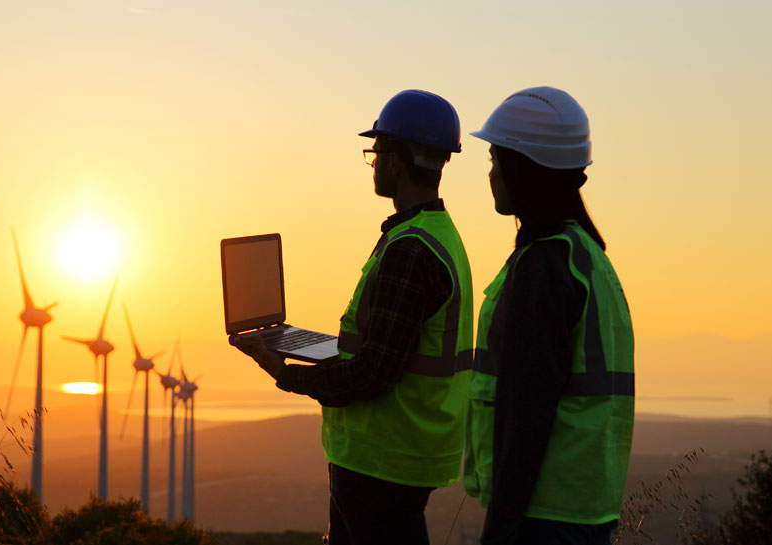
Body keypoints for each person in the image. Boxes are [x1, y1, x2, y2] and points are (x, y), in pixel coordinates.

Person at [232, 89, 474, 545]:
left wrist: (287, 372)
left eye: (377, 152)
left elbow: (372, 373)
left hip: (382, 461)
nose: (374, 162)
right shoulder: (437, 236)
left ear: (397, 161)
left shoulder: (411, 250)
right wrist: (316, 351)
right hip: (395, 457)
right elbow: (385, 349)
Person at [462, 87, 635, 545]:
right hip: (585, 507)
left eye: (496, 160)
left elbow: (525, 414)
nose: (491, 173)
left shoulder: (544, 267)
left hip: (543, 513)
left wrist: (499, 528)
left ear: (526, 167)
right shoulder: (587, 255)